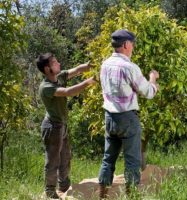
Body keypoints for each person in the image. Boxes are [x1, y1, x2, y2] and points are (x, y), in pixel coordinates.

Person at [98, 29, 159, 198]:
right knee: (132, 161)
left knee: (108, 159)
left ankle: (102, 196)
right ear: (126, 44)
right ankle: (132, 196)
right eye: (132, 44)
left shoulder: (105, 64)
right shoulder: (129, 67)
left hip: (109, 117)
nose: (133, 47)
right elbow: (148, 92)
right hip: (127, 118)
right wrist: (153, 79)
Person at [36, 53, 96, 199]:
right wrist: (89, 82)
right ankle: (50, 191)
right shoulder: (46, 87)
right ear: (47, 68)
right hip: (52, 127)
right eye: (55, 62)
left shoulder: (59, 77)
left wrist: (89, 66)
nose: (59, 64)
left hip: (62, 125)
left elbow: (76, 70)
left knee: (66, 157)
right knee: (53, 161)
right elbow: (68, 92)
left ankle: (64, 187)